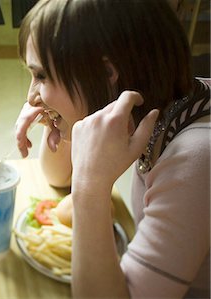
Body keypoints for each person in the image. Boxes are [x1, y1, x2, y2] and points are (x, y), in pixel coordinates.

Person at [14, 0, 209, 297]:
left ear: (107, 72)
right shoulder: (167, 102)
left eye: (40, 76)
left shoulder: (195, 160)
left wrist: (91, 186)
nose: (31, 97)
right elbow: (58, 178)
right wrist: (61, 121)